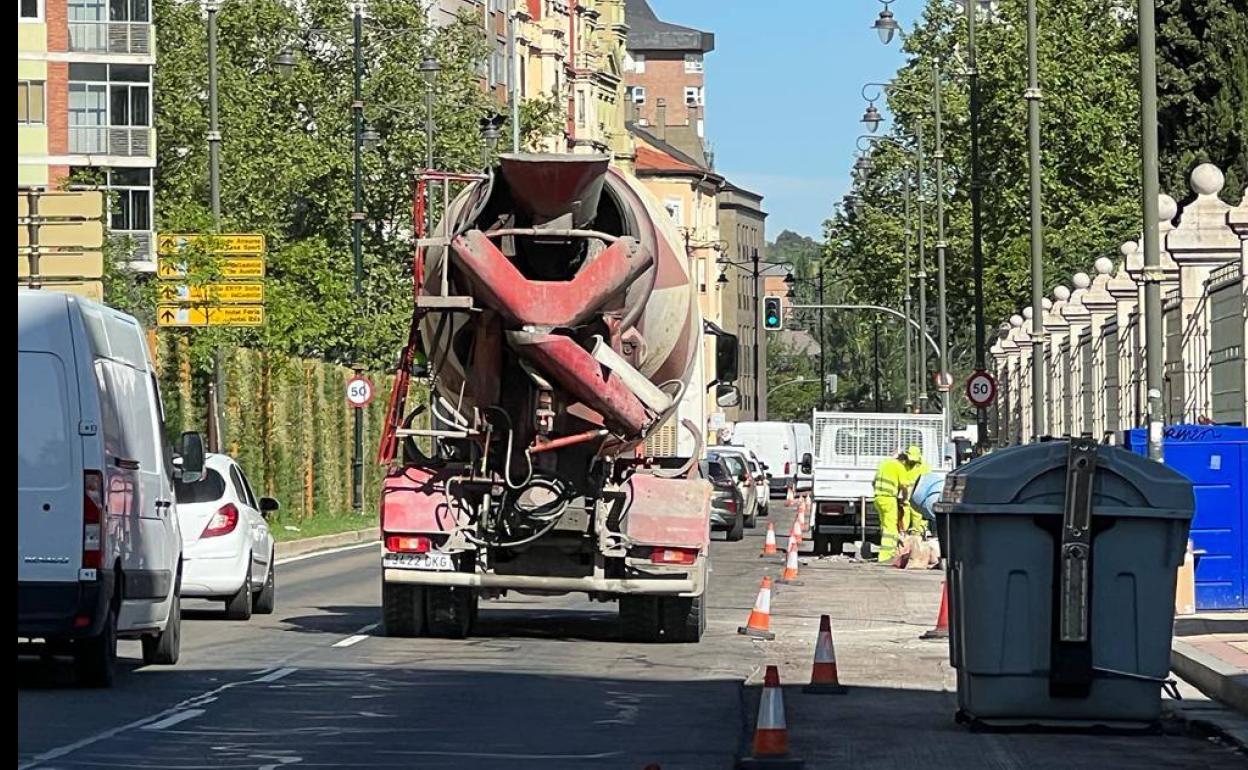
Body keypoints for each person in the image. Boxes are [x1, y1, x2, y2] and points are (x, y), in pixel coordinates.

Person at [872, 445, 924, 562]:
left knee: (884, 525)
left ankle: (886, 552)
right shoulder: (900, 467)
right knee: (890, 529)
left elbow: (873, 481)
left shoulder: (884, 464)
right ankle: (886, 556)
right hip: (889, 499)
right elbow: (904, 486)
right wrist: (905, 499)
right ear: (904, 460)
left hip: (878, 498)